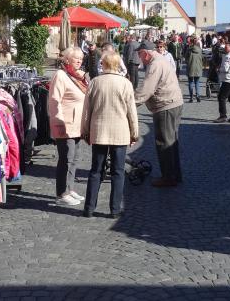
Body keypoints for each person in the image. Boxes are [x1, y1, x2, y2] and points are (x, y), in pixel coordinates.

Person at [81, 51, 139, 218]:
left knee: (96, 170)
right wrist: (134, 133)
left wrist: (85, 131)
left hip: (99, 132)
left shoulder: (95, 82)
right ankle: (114, 210)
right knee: (118, 171)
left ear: (103, 64)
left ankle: (89, 208)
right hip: (120, 132)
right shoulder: (125, 84)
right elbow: (132, 112)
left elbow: (87, 111)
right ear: (117, 64)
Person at [134, 43, 184, 187]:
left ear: (146, 54)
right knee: (172, 141)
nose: (139, 58)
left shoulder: (155, 64)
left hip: (166, 105)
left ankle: (169, 177)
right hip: (173, 103)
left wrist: (130, 105)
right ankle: (175, 175)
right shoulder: (160, 60)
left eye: (140, 55)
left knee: (165, 143)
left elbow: (146, 90)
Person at [48, 47, 90, 206]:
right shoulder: (60, 75)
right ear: (67, 60)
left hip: (78, 124)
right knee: (66, 159)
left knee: (74, 159)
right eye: (76, 58)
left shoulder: (77, 76)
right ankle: (61, 193)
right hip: (65, 124)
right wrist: (57, 123)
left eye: (81, 58)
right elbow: (54, 101)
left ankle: (69, 188)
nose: (79, 61)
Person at [186, 37, 204, 103]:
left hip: (190, 67)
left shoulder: (189, 49)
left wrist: (189, 63)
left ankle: (191, 97)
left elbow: (186, 58)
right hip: (198, 68)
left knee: (190, 82)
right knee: (197, 83)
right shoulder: (200, 50)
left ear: (191, 42)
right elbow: (202, 58)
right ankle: (198, 96)